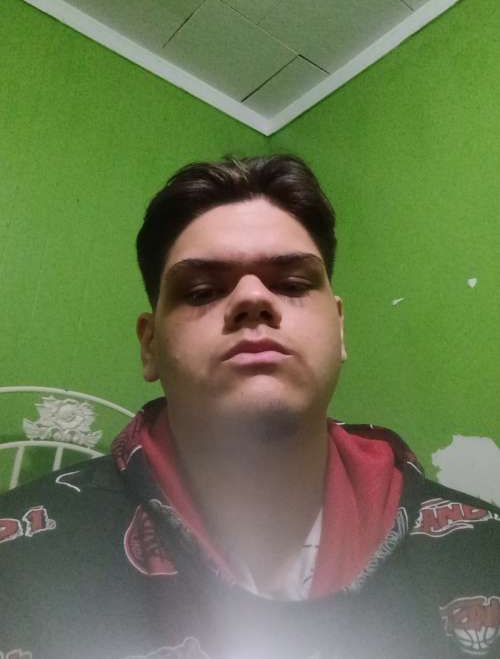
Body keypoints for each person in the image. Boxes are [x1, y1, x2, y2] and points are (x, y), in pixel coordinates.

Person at [1, 155, 499, 659]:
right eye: (202, 291)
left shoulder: (484, 547)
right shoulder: (16, 558)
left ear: (340, 328)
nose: (253, 298)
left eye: (293, 284)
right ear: (149, 345)